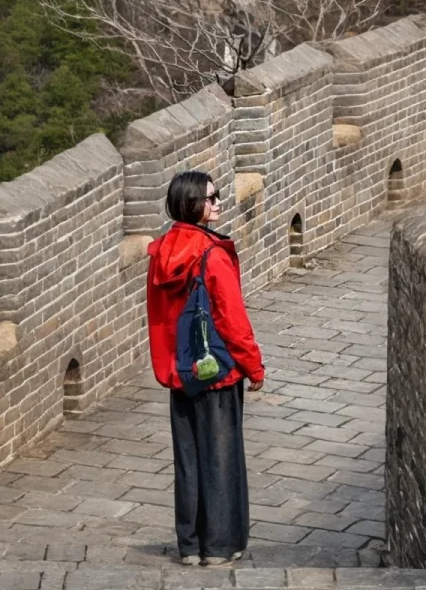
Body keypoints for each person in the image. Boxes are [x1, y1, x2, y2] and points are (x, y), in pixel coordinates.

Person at [146, 170, 265, 567]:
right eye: (211, 198)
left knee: (189, 461)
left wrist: (169, 367)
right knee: (220, 459)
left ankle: (190, 545)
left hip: (179, 374)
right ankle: (217, 546)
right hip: (215, 372)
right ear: (192, 204)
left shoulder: (161, 253)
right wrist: (253, 366)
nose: (218, 203)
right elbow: (232, 318)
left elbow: (158, 318)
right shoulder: (212, 254)